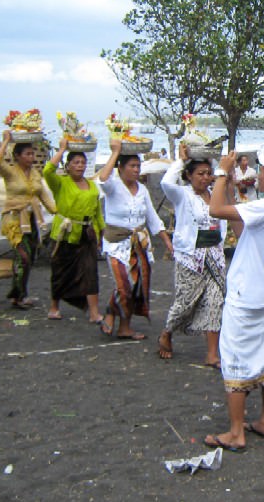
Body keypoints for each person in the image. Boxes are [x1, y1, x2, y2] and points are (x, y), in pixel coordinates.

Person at [203, 148, 264, 452]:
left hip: (246, 296)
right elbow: (240, 228)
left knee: (234, 359)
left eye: (261, 172)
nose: (257, 176)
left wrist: (220, 171)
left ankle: (235, 432)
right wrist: (230, 183)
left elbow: (214, 210)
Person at [158, 145, 228, 366]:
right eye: (200, 173)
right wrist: (181, 161)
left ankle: (212, 354)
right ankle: (167, 332)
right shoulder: (183, 195)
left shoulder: (215, 195)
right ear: (188, 176)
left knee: (215, 301)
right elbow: (166, 183)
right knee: (185, 302)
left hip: (214, 256)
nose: (206, 178)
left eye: (208, 174)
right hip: (191, 257)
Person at [97, 139, 173, 340]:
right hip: (117, 243)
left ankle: (124, 326)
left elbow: (152, 218)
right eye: (132, 166)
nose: (136, 170)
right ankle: (110, 311)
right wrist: (115, 152)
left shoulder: (142, 190)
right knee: (124, 285)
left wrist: (166, 241)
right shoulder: (114, 186)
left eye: (138, 166)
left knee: (137, 285)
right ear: (120, 168)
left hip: (139, 243)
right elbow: (102, 179)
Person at [43, 137, 105, 322]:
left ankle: (94, 312)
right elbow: (47, 170)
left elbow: (97, 212)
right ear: (68, 166)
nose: (80, 166)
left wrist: (101, 233)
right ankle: (54, 307)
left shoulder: (92, 185)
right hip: (64, 234)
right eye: (76, 163)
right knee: (60, 270)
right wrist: (62, 149)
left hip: (87, 234)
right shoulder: (61, 183)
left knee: (90, 271)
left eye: (83, 163)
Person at [0, 130, 56, 310]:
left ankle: (19, 294)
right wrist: (6, 141)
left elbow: (44, 196)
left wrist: (59, 211)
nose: (31, 157)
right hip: (14, 219)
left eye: (33, 153)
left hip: (31, 220)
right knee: (23, 257)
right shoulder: (11, 172)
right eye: (27, 154)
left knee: (30, 258)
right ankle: (18, 295)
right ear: (17, 156)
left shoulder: (36, 173)